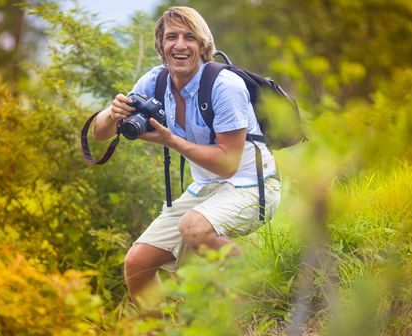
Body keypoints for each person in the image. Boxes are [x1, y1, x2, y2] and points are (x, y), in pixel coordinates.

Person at [93, 6, 280, 313]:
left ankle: (258, 293)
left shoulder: (224, 87)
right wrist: (111, 113)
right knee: (137, 263)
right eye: (172, 37)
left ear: (203, 46)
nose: (180, 45)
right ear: (161, 45)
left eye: (189, 37)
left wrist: (172, 141)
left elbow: (228, 163)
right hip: (205, 188)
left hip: (253, 186)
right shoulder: (155, 82)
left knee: (193, 226)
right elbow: (101, 135)